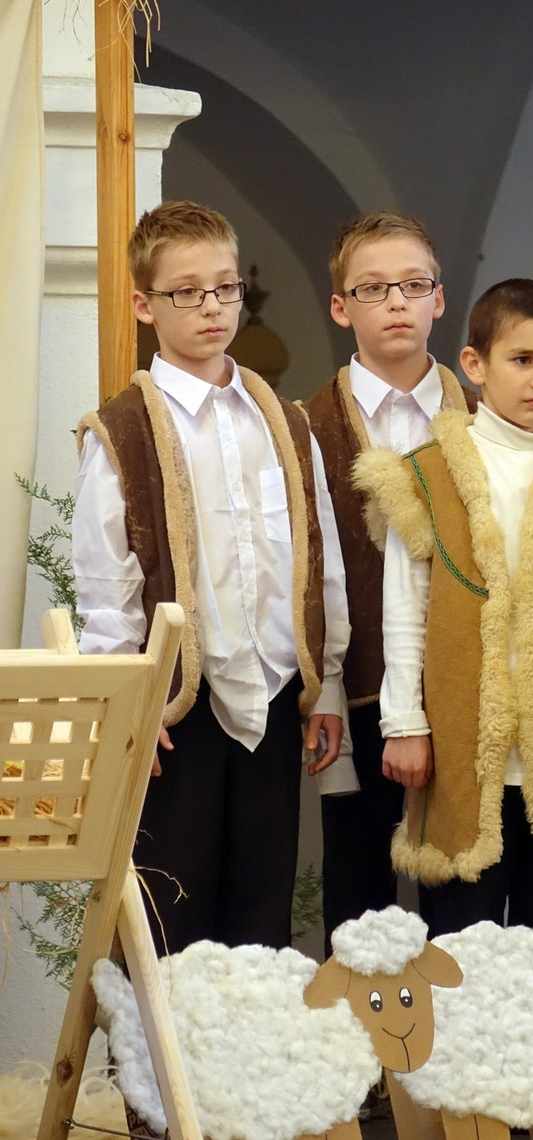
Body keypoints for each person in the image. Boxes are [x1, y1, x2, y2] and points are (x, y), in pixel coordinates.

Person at [72, 200, 350, 957]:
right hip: (176, 713)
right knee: (170, 917)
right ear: (145, 305)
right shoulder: (122, 432)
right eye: (187, 291)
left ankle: (245, 1042)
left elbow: (316, 560)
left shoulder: (285, 423)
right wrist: (129, 705)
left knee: (260, 925)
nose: (212, 307)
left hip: (271, 697)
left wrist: (324, 684)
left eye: (225, 288)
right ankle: (157, 1041)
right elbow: (107, 591)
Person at [354, 278, 533, 943]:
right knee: (462, 954)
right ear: (475, 364)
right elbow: (404, 612)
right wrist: (404, 722)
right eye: (522, 359)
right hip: (462, 752)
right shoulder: (426, 476)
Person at [306, 211, 477, 953]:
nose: (396, 302)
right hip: (358, 689)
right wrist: (322, 691)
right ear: (341, 307)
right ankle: (364, 1030)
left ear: (439, 298)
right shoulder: (304, 428)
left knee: (465, 900)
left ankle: (456, 1034)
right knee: (359, 897)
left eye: (413, 284)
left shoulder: (489, 418)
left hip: (470, 691)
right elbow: (303, 570)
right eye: (373, 289)